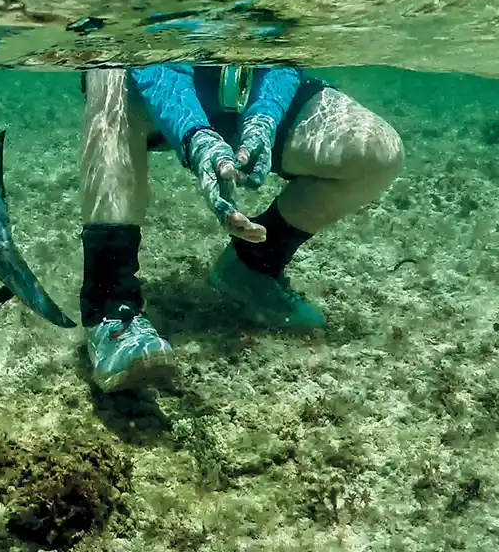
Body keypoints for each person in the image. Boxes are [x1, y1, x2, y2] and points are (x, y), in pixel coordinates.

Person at [78, 64, 404, 391]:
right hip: (152, 85)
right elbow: (149, 52)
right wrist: (195, 135)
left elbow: (281, 48)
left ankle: (253, 265)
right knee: (110, 71)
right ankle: (110, 306)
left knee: (377, 151)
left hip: (246, 90)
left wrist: (265, 117)